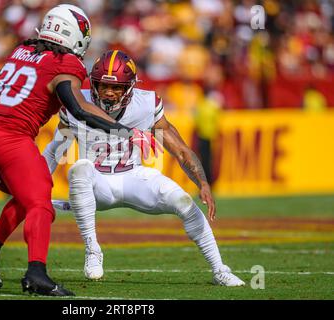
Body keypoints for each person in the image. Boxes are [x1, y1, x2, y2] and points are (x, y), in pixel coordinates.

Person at [0, 4, 158, 297]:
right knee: (42, 202)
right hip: (11, 139)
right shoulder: (65, 63)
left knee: (25, 196)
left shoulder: (22, 51)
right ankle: (36, 273)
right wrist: (127, 132)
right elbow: (79, 110)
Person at [44, 50, 245, 286]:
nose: (109, 93)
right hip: (97, 184)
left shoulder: (145, 104)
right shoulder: (78, 103)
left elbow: (180, 150)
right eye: (102, 86)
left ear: (130, 87)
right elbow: (55, 150)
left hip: (133, 177)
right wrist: (33, 187)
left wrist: (202, 183)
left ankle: (220, 269)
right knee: (79, 168)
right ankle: (92, 250)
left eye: (117, 87)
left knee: (183, 201)